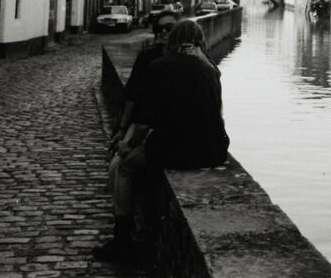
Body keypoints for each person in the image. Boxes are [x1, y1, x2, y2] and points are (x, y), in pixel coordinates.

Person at [94, 19, 230, 263]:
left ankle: (122, 239)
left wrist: (128, 144)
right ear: (200, 42)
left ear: (172, 41)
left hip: (176, 151)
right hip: (213, 151)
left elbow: (143, 122)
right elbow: (218, 115)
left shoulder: (159, 68)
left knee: (124, 166)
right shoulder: (211, 70)